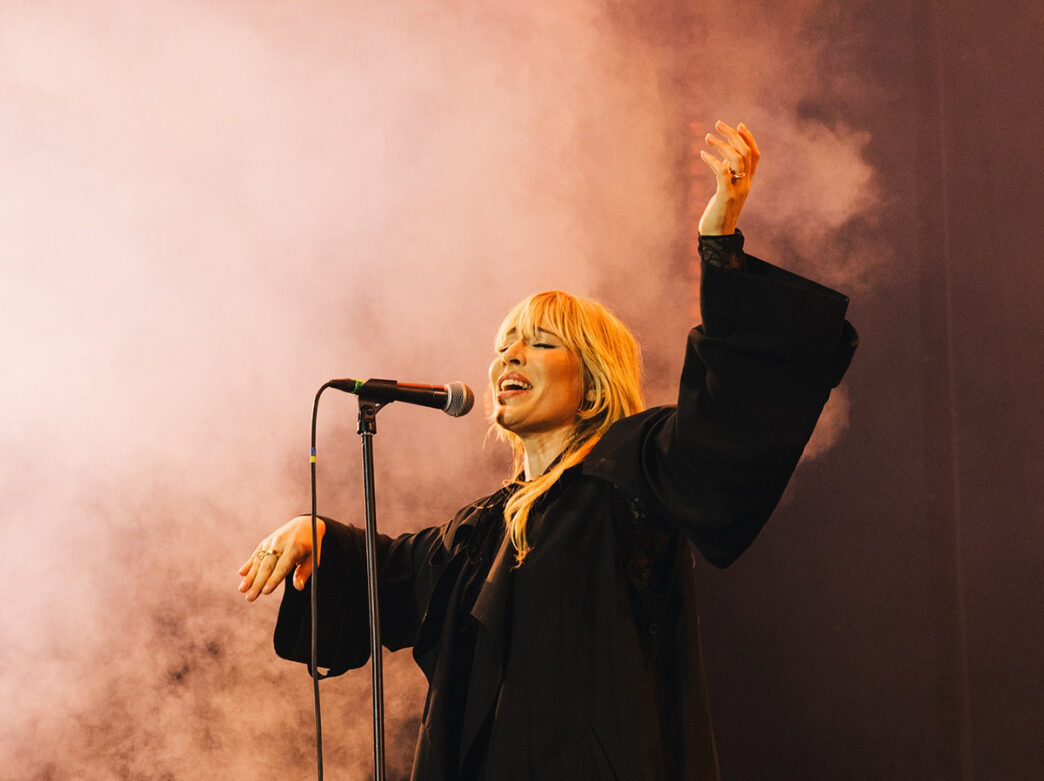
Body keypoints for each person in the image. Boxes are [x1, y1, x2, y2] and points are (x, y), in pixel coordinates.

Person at [238, 122, 858, 780]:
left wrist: (719, 246)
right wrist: (319, 537)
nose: (509, 354)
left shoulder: (633, 470)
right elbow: (393, 573)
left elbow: (726, 422)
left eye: (540, 341)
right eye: (504, 342)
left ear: (591, 381)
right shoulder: (479, 531)